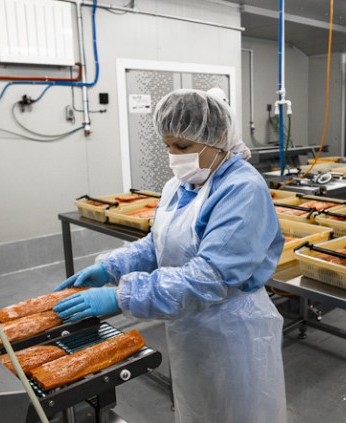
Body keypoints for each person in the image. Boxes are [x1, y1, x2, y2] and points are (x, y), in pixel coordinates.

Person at [53, 89, 287, 423]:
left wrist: (123, 295)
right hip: (187, 323)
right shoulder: (180, 185)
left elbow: (210, 276)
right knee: (197, 408)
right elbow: (159, 243)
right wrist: (111, 268)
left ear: (219, 138)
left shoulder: (242, 189)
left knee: (236, 412)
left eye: (182, 147)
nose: (173, 156)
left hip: (232, 330)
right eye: (168, 146)